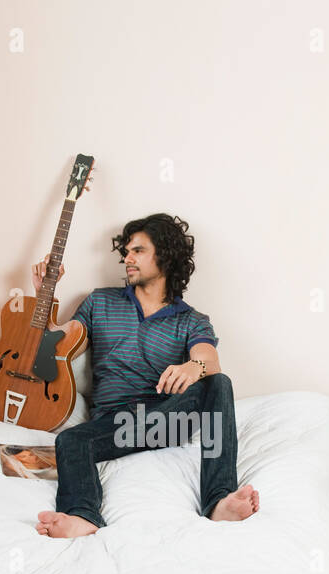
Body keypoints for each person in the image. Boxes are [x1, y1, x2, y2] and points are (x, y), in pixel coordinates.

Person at [34, 213, 258, 538]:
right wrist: (45, 297)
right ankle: (83, 516)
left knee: (218, 383)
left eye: (138, 250)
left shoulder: (192, 321)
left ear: (164, 256)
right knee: (70, 439)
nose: (127, 258)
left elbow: (209, 360)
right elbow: (55, 349)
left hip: (166, 421)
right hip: (116, 427)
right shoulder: (100, 301)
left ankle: (219, 501)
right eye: (126, 251)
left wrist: (193, 367)